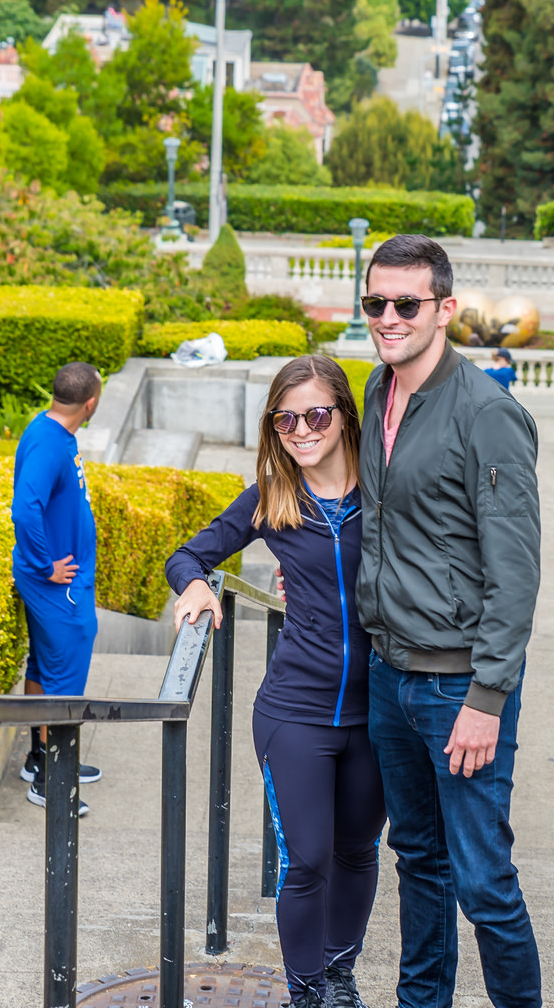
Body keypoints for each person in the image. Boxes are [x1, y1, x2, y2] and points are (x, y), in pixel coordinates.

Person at [354, 233, 543, 1008]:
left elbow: (517, 571)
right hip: (389, 674)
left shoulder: (489, 415)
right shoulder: (375, 391)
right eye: (376, 303)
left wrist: (487, 698)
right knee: (417, 860)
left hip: (459, 686)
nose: (389, 317)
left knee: (483, 877)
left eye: (407, 303)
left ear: (446, 309)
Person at [169, 356, 383, 1008]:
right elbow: (189, 553)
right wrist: (198, 586)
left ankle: (340, 975)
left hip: (381, 710)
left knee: (358, 849)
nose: (301, 428)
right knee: (309, 855)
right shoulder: (272, 492)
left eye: (316, 413)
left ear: (346, 414)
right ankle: (307, 990)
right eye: (284, 418)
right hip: (296, 708)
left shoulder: (386, 487)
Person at [11, 361, 106, 816]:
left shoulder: (47, 429)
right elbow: (24, 509)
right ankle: (52, 779)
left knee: (44, 667)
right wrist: (43, 564)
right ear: (91, 403)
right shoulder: (50, 445)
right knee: (65, 679)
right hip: (59, 586)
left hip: (59, 581)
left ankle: (38, 759)